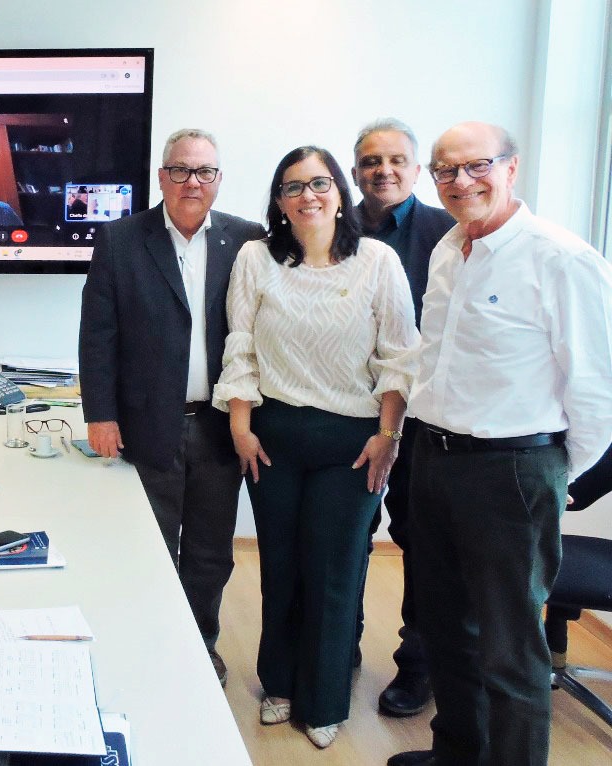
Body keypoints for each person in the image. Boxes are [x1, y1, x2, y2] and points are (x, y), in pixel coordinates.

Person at [389, 122, 612, 766]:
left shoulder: (560, 258)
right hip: (434, 459)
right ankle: (460, 752)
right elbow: (431, 357)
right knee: (444, 628)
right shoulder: (448, 249)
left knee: (511, 648)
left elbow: (597, 391)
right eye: (446, 170)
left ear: (512, 167)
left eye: (476, 165)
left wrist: (553, 474)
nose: (461, 181)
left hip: (512, 469)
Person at [213, 145, 419, 749]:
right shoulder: (256, 258)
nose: (308, 195)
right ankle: (278, 682)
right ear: (278, 201)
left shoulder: (377, 261)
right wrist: (240, 425)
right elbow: (241, 345)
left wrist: (388, 436)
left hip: (350, 442)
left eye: (320, 183)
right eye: (293, 186)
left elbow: (399, 356)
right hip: (272, 436)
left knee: (334, 571)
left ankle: (325, 698)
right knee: (279, 565)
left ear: (340, 193)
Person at [79, 129, 264, 688]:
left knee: (210, 555)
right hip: (146, 425)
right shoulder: (119, 240)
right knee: (150, 548)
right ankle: (151, 644)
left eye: (204, 172)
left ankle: (198, 644)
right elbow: (98, 335)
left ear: (218, 180)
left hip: (218, 427)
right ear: (162, 176)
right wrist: (101, 414)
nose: (192, 182)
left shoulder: (246, 241)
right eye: (181, 170)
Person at [350, 117, 455, 717]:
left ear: (415, 170)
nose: (382, 171)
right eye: (370, 161)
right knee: (345, 538)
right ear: (355, 169)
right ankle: (338, 651)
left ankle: (418, 667)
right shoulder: (331, 227)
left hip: (426, 423)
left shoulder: (449, 233)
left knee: (422, 544)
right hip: (347, 410)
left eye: (395, 161)